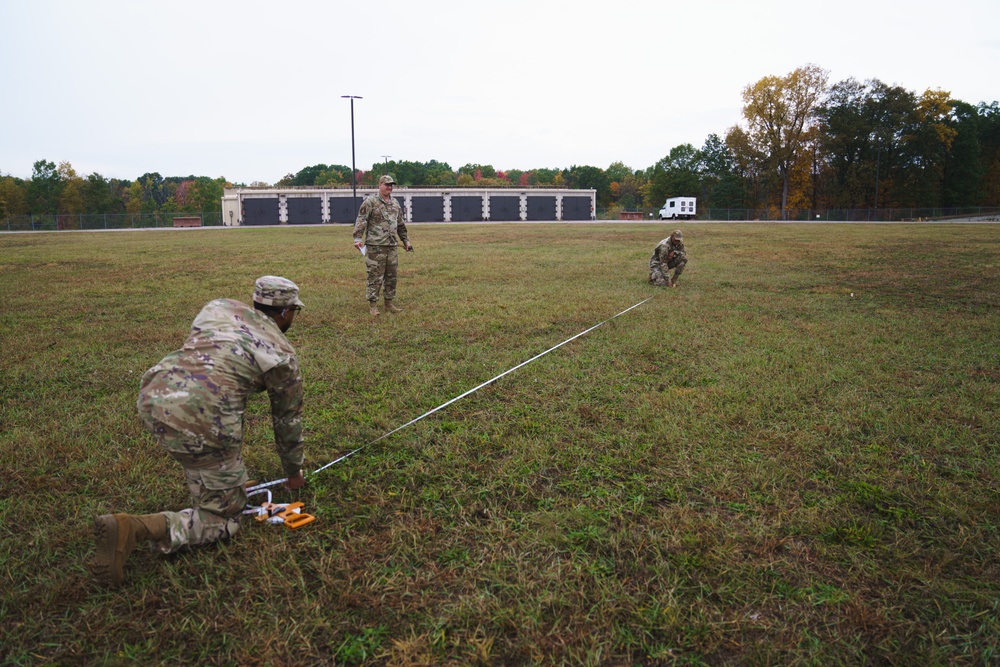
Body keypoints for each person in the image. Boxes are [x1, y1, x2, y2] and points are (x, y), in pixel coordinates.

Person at [92, 276, 307, 587]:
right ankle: (134, 528)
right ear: (286, 313)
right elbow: (287, 420)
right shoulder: (282, 355)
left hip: (155, 396)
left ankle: (217, 479)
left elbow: (211, 369)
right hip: (203, 420)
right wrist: (294, 472)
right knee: (223, 519)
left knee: (207, 452)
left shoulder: (219, 308)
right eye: (294, 313)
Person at [353, 174, 413, 316]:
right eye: (387, 184)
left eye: (391, 185)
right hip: (376, 246)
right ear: (380, 185)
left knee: (392, 276)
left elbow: (400, 224)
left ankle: (389, 303)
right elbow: (361, 220)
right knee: (375, 275)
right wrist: (357, 238)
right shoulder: (370, 202)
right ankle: (373, 305)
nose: (389, 187)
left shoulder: (395, 203)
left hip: (392, 245)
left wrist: (406, 241)